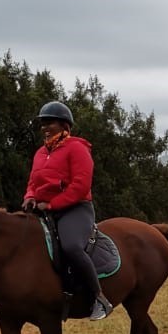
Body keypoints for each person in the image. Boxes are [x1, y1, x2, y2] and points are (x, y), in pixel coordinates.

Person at [22, 101, 113, 321]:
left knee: (71, 246)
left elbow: (80, 186)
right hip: (44, 209)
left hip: (75, 209)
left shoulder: (77, 148)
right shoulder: (40, 153)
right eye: (43, 123)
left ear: (65, 125)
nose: (45, 127)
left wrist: (52, 204)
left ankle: (99, 298)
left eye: (49, 123)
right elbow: (33, 182)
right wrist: (30, 197)